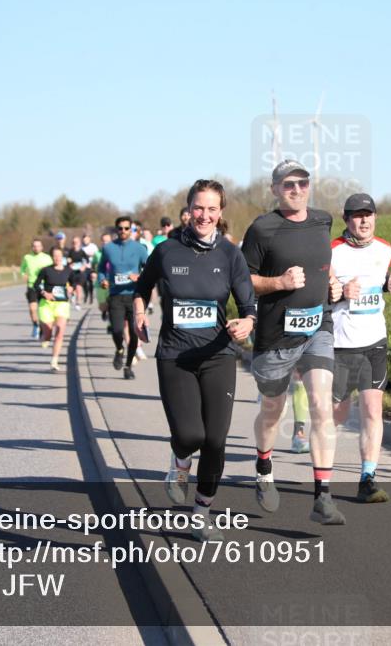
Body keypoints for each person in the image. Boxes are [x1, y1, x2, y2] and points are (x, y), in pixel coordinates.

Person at [134, 179, 256, 542]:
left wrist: (247, 323)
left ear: (221, 213)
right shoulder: (167, 250)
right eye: (198, 208)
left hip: (217, 353)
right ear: (188, 211)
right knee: (190, 435)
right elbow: (142, 287)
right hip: (175, 355)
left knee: (216, 441)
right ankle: (180, 462)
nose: (204, 215)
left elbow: (249, 305)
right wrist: (139, 312)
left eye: (212, 209)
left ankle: (201, 512)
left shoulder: (231, 255)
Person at [241, 159, 345, 525]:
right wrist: (279, 283)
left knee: (320, 404)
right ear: (274, 189)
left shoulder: (323, 220)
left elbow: (324, 262)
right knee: (273, 412)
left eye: (302, 182)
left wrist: (333, 283)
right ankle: (264, 465)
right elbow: (244, 280)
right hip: (275, 339)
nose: (297, 189)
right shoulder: (262, 229)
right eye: (288, 184)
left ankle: (323, 496)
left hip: (318, 328)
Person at [330, 193, 391, 503]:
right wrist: (340, 292)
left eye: (368, 215)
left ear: (375, 217)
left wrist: (389, 285)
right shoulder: (331, 251)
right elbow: (321, 294)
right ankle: (323, 474)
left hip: (374, 342)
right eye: (357, 216)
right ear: (346, 220)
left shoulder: (386, 249)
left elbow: (379, 281)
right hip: (340, 345)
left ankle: (367, 478)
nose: (363, 221)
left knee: (373, 410)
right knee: (338, 415)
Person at [97, 216, 147, 379]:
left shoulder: (139, 248)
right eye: (120, 228)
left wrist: (139, 276)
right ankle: (119, 349)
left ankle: (128, 366)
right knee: (117, 330)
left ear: (131, 230)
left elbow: (150, 270)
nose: (123, 231)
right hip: (116, 295)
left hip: (134, 296)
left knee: (134, 335)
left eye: (127, 228)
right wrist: (102, 280)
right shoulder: (108, 248)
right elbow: (101, 269)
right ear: (116, 229)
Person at [33, 246, 73, 371]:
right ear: (51, 257)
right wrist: (45, 293)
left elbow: (74, 282)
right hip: (47, 304)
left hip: (62, 304)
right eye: (55, 256)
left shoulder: (68, 270)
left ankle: (54, 360)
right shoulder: (45, 270)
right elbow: (36, 285)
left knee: (60, 332)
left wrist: (72, 287)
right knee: (49, 333)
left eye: (59, 255)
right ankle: (44, 335)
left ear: (63, 257)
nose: (57, 258)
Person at [20, 239, 53, 340]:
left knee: (42, 310)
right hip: (32, 286)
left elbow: (52, 271)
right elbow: (22, 269)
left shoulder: (47, 258)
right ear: (32, 247)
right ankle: (35, 325)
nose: (36, 248)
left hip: (44, 286)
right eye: (34, 246)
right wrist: (23, 275)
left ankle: (43, 328)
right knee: (32, 309)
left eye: (38, 246)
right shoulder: (27, 257)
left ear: (42, 247)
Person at [66, 235, 90, 310]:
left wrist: (84, 266)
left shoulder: (82, 252)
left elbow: (87, 261)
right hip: (72, 273)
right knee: (73, 288)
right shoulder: (70, 251)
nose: (75, 243)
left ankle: (78, 303)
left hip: (80, 273)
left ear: (79, 243)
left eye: (76, 242)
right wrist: (69, 263)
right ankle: (73, 294)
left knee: (79, 287)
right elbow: (66, 261)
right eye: (73, 242)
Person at [81, 234, 99, 304]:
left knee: (90, 282)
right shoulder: (82, 247)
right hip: (84, 267)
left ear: (89, 239)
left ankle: (91, 296)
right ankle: (86, 294)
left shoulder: (93, 246)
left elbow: (96, 254)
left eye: (86, 239)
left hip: (91, 267)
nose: (85, 241)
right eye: (84, 240)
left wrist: (90, 255)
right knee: (84, 282)